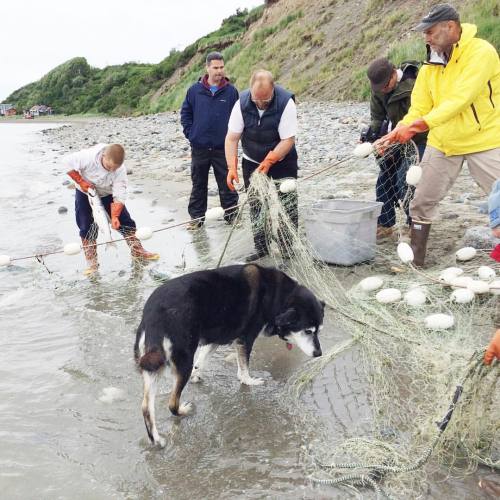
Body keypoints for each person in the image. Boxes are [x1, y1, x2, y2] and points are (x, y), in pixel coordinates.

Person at [377, 3, 500, 266]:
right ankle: (416, 259)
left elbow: (459, 100)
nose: (427, 37)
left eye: (431, 32)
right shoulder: (430, 64)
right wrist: (400, 129)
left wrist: (419, 125)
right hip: (443, 142)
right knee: (421, 201)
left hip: (486, 139)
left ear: (451, 27)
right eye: (425, 33)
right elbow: (419, 106)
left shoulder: (481, 52)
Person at [224, 69, 298, 261]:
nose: (261, 104)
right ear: (251, 91)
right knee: (256, 204)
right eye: (257, 100)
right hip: (251, 160)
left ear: (273, 89)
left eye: (265, 100)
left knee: (287, 203)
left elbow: (288, 140)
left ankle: (287, 248)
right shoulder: (241, 103)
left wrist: (270, 160)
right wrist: (231, 167)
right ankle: (261, 247)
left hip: (282, 160)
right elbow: (232, 139)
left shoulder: (285, 102)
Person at [66, 143, 159, 275]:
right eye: (109, 167)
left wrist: (114, 216)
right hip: (86, 191)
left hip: (107, 192)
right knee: (85, 225)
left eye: (114, 169)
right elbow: (66, 163)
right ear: (103, 156)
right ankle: (92, 262)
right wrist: (81, 182)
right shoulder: (87, 157)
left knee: (125, 221)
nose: (111, 170)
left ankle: (137, 251)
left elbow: (120, 192)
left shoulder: (120, 170)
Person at [364, 57, 427, 240]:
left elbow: (421, 117)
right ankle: (385, 224)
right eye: (379, 88)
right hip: (394, 137)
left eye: (385, 85)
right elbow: (377, 118)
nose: (382, 90)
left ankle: (412, 223)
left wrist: (397, 136)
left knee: (405, 179)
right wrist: (373, 138)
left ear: (394, 74)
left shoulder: (413, 85)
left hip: (421, 138)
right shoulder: (378, 88)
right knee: (385, 176)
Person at [180, 51, 239, 230]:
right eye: (215, 67)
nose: (219, 71)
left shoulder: (231, 92)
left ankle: (232, 215)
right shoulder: (194, 91)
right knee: (198, 184)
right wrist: (191, 134)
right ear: (207, 68)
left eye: (221, 67)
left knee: (227, 182)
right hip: (200, 147)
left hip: (223, 148)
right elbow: (185, 114)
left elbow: (238, 118)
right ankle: (196, 219)